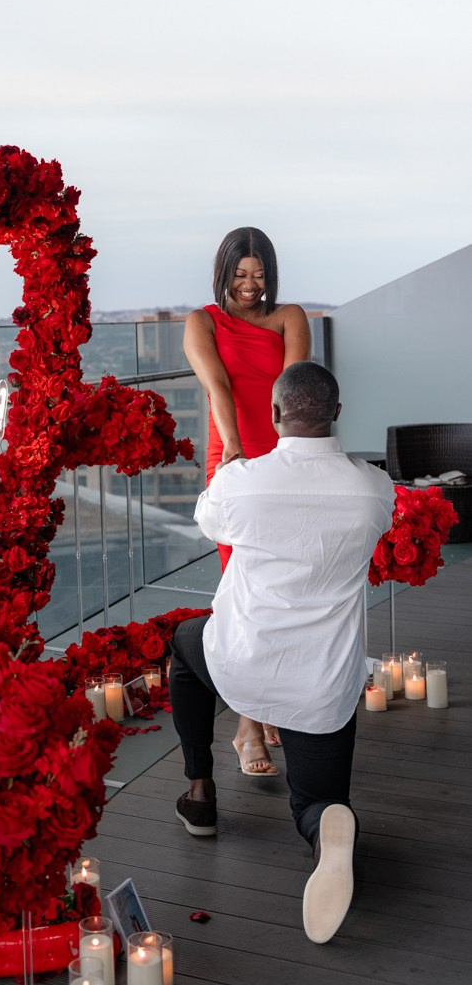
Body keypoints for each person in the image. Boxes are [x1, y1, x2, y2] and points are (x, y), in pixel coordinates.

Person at [168, 362, 395, 944]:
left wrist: (228, 471)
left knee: (183, 648)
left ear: (274, 415)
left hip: (239, 661)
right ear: (338, 414)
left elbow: (209, 522)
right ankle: (325, 829)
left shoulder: (244, 481)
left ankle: (201, 793)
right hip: (322, 685)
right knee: (315, 802)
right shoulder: (373, 487)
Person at [183, 227, 311, 776]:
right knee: (242, 590)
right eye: (240, 274)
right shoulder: (202, 321)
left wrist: (290, 455)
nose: (250, 284)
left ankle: (267, 702)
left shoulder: (291, 317)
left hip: (285, 454)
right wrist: (235, 451)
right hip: (234, 455)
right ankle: (247, 725)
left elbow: (296, 387)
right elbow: (218, 386)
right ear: (223, 272)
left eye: (258, 274)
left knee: (282, 586)